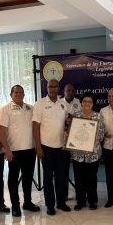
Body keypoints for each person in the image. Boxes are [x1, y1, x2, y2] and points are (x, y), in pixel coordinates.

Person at [0, 85, 40, 217]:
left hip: (30, 149)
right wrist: (7, 150)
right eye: (16, 92)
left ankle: (27, 202)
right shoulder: (5, 109)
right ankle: (15, 205)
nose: (19, 94)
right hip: (14, 151)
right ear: (11, 94)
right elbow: (0, 130)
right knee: (13, 179)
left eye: (21, 92)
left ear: (24, 94)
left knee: (27, 178)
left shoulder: (30, 108)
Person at [33, 79, 71, 216]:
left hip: (61, 147)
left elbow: (67, 122)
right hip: (46, 147)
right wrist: (38, 147)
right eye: (50, 87)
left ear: (58, 88)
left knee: (61, 177)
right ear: (47, 88)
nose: (53, 89)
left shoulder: (63, 104)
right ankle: (50, 205)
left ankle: (61, 203)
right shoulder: (40, 104)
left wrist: (69, 121)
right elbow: (35, 126)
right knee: (48, 178)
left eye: (55, 87)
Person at [70, 92, 105, 211]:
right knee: (79, 178)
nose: (87, 103)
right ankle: (80, 201)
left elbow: (101, 132)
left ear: (93, 103)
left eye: (89, 101)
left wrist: (98, 137)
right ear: (81, 102)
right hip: (78, 154)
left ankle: (92, 201)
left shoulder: (98, 116)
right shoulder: (75, 116)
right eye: (84, 101)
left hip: (93, 153)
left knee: (91, 178)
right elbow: (71, 132)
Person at [60, 83, 82, 199]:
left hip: (77, 141)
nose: (70, 92)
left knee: (79, 169)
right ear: (64, 91)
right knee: (63, 169)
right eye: (68, 90)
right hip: (62, 141)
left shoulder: (79, 103)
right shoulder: (59, 103)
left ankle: (80, 195)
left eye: (72, 90)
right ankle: (64, 195)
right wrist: (65, 122)